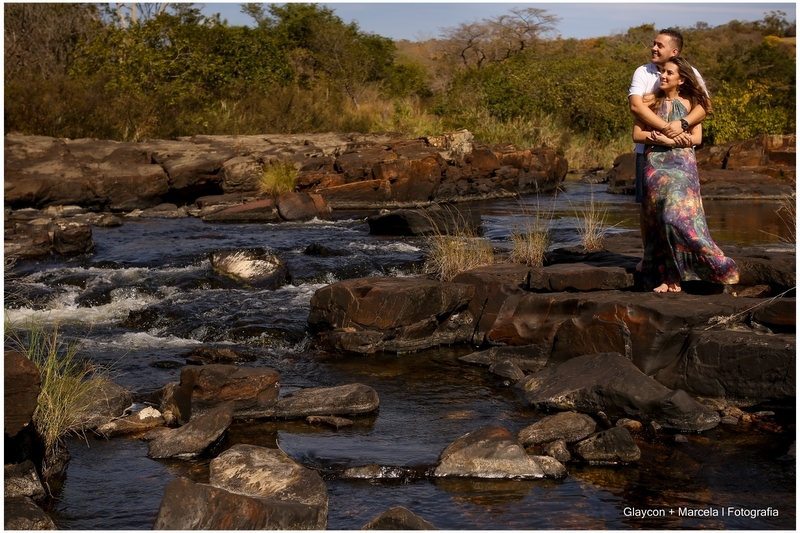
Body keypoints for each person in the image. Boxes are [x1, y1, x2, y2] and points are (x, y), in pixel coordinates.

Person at [632, 57, 739, 293]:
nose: (663, 76)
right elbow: (637, 135)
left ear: (681, 80)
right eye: (662, 73)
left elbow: (697, 138)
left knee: (675, 217)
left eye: (669, 73)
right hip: (656, 164)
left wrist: (673, 139)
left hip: (682, 164)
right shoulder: (649, 101)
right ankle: (668, 278)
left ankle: (712, 265)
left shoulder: (691, 103)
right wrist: (660, 138)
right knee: (659, 220)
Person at [628, 29, 708, 271]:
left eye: (659, 45)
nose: (653, 48)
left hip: (681, 157)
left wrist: (681, 125)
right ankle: (649, 257)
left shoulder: (689, 73)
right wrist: (667, 130)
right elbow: (636, 107)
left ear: (674, 51)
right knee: (647, 205)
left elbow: (705, 105)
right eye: (653, 43)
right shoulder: (643, 72)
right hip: (649, 152)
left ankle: (690, 259)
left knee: (685, 207)